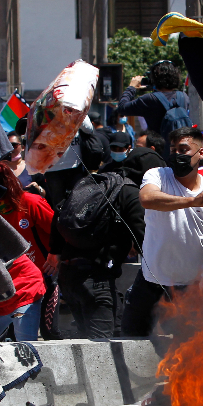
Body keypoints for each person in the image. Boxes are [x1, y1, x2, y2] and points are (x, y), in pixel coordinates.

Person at [121, 127, 203, 337]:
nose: (177, 155)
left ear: (200, 153)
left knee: (187, 350)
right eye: (173, 150)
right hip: (148, 282)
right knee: (131, 339)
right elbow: (147, 199)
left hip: (188, 289)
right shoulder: (157, 175)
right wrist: (192, 201)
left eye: (183, 149)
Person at [49, 138, 145, 339]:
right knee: (100, 351)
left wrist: (54, 251)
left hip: (69, 276)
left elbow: (60, 212)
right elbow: (143, 238)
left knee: (89, 341)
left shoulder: (95, 183)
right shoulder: (131, 192)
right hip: (97, 279)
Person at [0, 162, 57, 342]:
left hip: (35, 281)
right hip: (3, 286)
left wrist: (56, 255)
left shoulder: (31, 202)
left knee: (34, 340)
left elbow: (59, 232)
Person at [117, 62, 191, 157]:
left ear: (154, 78)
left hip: (159, 153)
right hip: (181, 152)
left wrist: (132, 87)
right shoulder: (183, 97)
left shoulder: (150, 99)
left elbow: (122, 107)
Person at [101, 131, 166, 187]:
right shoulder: (128, 171)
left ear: (151, 150)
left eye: (138, 147)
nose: (135, 151)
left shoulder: (165, 176)